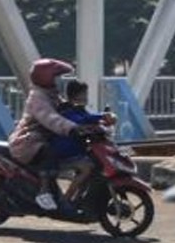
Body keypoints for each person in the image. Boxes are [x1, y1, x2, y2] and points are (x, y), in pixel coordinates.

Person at [7, 58, 97, 211]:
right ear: (45, 78)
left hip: (44, 137)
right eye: (55, 77)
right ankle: (44, 192)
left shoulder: (49, 94)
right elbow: (51, 118)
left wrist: (90, 118)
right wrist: (73, 127)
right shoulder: (37, 97)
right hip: (29, 141)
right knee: (49, 152)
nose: (58, 81)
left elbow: (63, 109)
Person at [50, 80, 115, 206]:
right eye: (84, 93)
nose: (86, 96)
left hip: (75, 150)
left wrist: (103, 121)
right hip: (64, 151)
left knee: (94, 166)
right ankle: (66, 200)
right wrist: (102, 116)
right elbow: (80, 120)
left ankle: (78, 199)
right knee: (86, 168)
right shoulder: (66, 110)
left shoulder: (78, 108)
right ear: (76, 95)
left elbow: (88, 117)